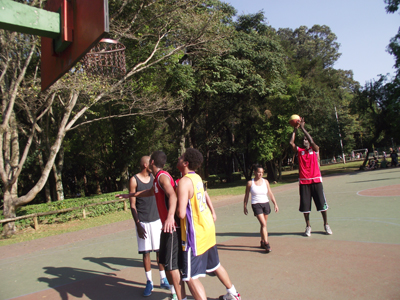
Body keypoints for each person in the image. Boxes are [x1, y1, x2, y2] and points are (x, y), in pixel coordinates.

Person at [117, 151, 186, 300]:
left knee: (172, 266)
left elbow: (172, 196)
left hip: (171, 226)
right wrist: (129, 195)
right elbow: (149, 192)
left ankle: (179, 295)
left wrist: (169, 218)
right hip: (164, 227)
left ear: (152, 162)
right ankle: (176, 293)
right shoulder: (156, 179)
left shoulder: (161, 177)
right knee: (165, 262)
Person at [176, 148, 241, 300]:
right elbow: (205, 195)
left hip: (195, 234)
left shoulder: (184, 182)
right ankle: (234, 294)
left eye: (181, 157)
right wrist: (212, 211)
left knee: (190, 276)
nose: (178, 159)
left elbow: (181, 213)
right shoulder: (197, 178)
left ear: (185, 163)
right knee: (215, 265)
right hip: (208, 229)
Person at [128, 156, 170, 296]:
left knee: (159, 251)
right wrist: (138, 224)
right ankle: (149, 282)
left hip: (156, 220)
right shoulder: (134, 180)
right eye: (151, 161)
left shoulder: (156, 177)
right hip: (143, 221)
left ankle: (163, 278)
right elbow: (132, 204)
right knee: (146, 253)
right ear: (146, 164)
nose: (153, 163)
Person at [289, 118, 333, 237]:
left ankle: (326, 224)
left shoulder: (315, 150)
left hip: (316, 181)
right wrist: (295, 129)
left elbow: (312, 141)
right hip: (304, 183)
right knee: (305, 207)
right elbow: (291, 143)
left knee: (322, 205)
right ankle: (308, 226)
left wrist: (303, 128)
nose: (305, 141)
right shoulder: (300, 151)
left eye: (306, 139)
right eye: (303, 139)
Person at [243, 165, 279, 253]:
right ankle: (267, 243)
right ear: (254, 172)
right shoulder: (250, 183)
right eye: (259, 172)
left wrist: (275, 204)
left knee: (264, 225)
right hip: (256, 204)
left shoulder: (266, 182)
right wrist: (245, 206)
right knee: (263, 224)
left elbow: (270, 193)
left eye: (262, 172)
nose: (260, 174)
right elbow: (246, 195)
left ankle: (262, 241)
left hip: (265, 203)